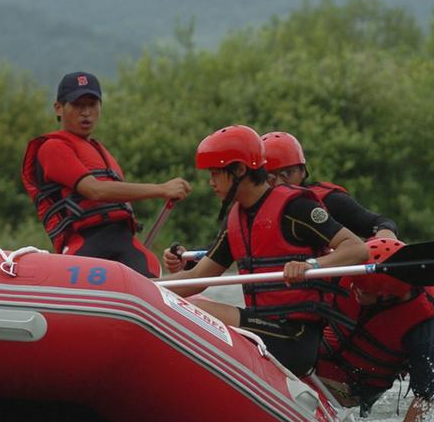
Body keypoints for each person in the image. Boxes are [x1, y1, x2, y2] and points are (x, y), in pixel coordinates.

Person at [161, 125, 367, 377]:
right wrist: (146, 285)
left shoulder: (296, 208)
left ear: (239, 170)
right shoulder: (236, 219)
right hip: (261, 327)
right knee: (186, 302)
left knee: (200, 309)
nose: (210, 182)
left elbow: (357, 249)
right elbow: (196, 279)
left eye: (216, 173)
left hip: (295, 339)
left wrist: (312, 265)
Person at [22, 71, 192, 277]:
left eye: (92, 105)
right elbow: (95, 190)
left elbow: (116, 199)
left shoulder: (101, 152)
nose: (86, 112)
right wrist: (161, 189)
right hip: (85, 247)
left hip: (124, 243)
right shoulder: (52, 148)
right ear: (58, 108)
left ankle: (196, 276)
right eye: (78, 105)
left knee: (158, 276)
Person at [315, 237, 434, 422]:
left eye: (363, 290)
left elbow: (426, 392)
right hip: (312, 361)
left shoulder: (420, 323)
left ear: (386, 296)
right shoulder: (350, 271)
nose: (355, 290)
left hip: (351, 387)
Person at [262, 131, 400, 241]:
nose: (279, 183)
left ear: (303, 171)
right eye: (270, 177)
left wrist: (385, 234)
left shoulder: (330, 200)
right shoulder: (249, 209)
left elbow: (380, 222)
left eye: (287, 173)